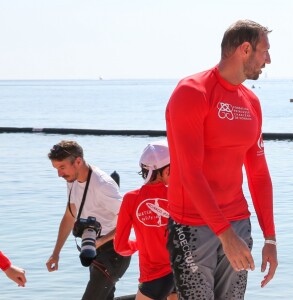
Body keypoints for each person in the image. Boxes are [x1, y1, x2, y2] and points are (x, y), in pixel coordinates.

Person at [165, 19, 278, 299]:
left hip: (237, 221)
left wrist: (270, 237)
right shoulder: (192, 92)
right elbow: (190, 173)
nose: (269, 60)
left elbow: (259, 174)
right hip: (191, 224)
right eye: (264, 51)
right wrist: (224, 235)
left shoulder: (251, 102)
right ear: (245, 49)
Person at [46, 140, 131, 300]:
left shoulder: (102, 185)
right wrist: (56, 253)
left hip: (113, 253)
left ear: (78, 161)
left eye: (62, 167)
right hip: (93, 251)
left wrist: (100, 241)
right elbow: (69, 216)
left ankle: (152, 294)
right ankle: (155, 294)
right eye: (57, 169)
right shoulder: (72, 180)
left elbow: (129, 220)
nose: (59, 174)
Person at [114, 140, 177, 300]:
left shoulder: (131, 199)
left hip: (154, 277)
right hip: (180, 271)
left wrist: (138, 244)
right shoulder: (180, 197)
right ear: (168, 170)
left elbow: (120, 247)